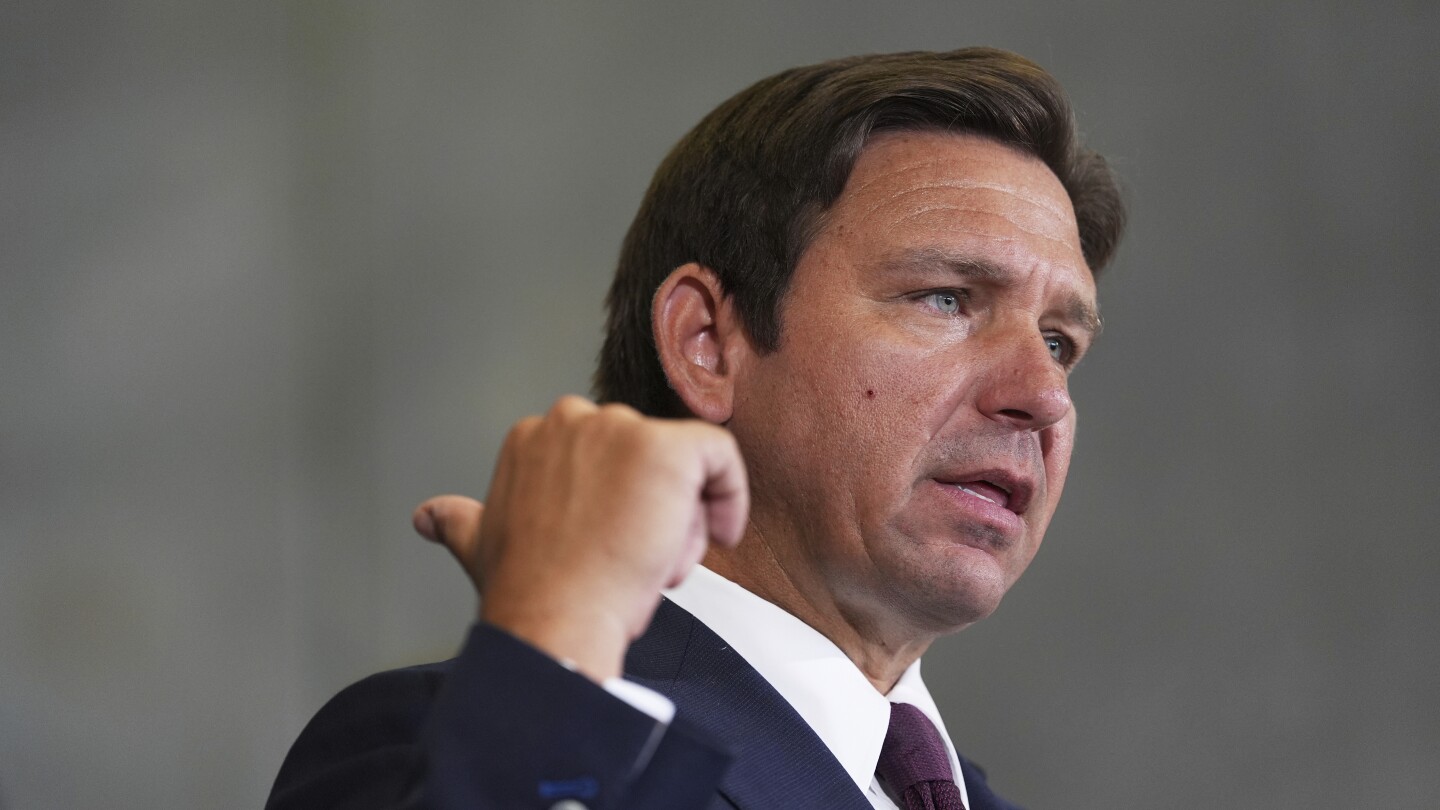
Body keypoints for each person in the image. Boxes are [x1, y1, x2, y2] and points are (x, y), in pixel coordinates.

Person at [266, 47, 1125, 810]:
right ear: (707, 342)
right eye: (946, 299)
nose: (1042, 395)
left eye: (1060, 342)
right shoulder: (455, 747)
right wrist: (556, 658)